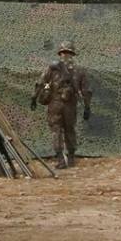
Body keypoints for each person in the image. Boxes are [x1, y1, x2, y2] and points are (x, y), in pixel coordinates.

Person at [32, 40, 92, 168]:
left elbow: (40, 82)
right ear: (73, 53)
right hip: (70, 105)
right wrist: (87, 107)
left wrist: (34, 98)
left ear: (60, 53)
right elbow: (86, 91)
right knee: (70, 129)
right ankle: (70, 158)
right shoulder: (80, 70)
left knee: (56, 130)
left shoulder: (52, 68)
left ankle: (60, 160)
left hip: (55, 104)